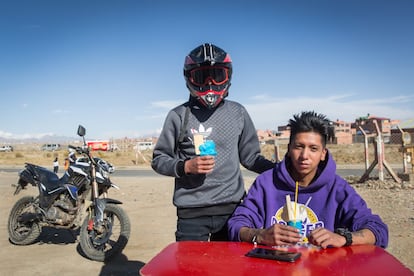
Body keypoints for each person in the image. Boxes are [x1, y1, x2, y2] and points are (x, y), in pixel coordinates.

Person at [151, 43, 274, 241]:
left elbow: (251, 158)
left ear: (228, 76)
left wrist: (281, 170)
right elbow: (159, 159)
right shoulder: (178, 115)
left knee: (230, 268)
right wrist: (185, 166)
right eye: (201, 76)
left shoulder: (238, 113)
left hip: (232, 209)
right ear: (189, 78)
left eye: (217, 75)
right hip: (191, 212)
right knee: (192, 270)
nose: (209, 83)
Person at [228, 111, 388, 248]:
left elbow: (377, 229)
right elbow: (237, 224)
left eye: (313, 149)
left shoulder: (337, 187)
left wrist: (344, 238)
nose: (304, 156)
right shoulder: (266, 183)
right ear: (289, 148)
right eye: (299, 146)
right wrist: (260, 235)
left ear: (323, 153)